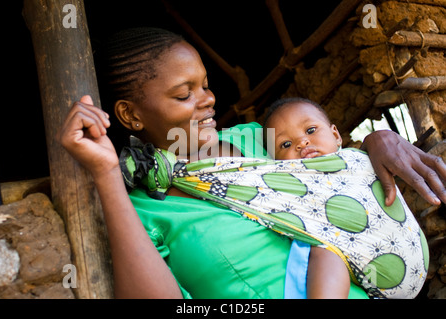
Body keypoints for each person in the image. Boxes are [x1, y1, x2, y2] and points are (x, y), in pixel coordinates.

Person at [59, 27, 446, 299]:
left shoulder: (259, 138)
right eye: (184, 94)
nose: (208, 99)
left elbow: (331, 161)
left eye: (205, 85)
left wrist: (379, 140)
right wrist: (107, 174)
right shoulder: (140, 210)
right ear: (131, 115)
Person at [260, 97, 429, 298]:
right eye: (285, 144)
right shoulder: (290, 186)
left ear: (336, 135)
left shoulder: (360, 159)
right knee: (322, 248)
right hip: (366, 269)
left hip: (410, 252)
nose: (301, 142)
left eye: (311, 130)